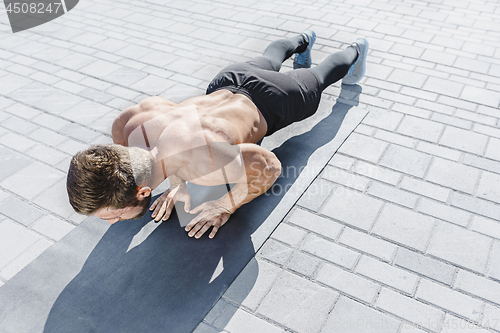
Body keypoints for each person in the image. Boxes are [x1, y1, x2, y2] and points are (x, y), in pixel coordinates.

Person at [66, 31, 369, 239]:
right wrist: (177, 185)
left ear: (144, 193)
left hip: (276, 100)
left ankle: (357, 48)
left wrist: (223, 205)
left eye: (112, 215)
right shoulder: (128, 127)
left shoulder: (206, 161)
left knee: (321, 75)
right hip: (228, 79)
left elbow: (268, 166)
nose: (112, 221)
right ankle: (303, 40)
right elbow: (172, 149)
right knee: (270, 57)